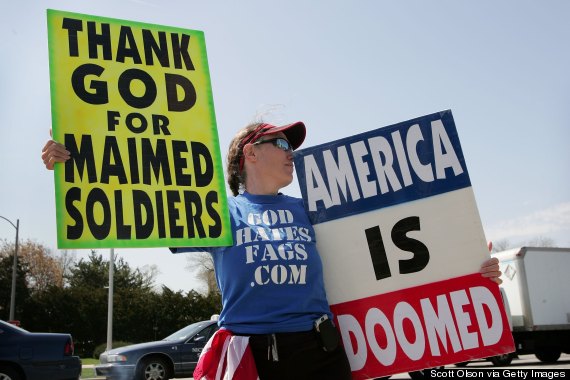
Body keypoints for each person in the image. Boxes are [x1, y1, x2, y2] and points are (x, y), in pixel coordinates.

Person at [42, 121, 502, 379]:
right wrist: (76, 160)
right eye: (280, 143)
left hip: (321, 352)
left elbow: (389, 257)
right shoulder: (216, 212)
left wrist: (467, 268)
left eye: (292, 144)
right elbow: (138, 201)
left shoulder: (316, 210)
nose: (291, 151)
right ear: (249, 155)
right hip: (251, 356)